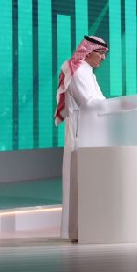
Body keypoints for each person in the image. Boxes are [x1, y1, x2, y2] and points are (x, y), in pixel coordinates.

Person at [54, 35, 108, 241]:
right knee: (78, 179)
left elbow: (99, 100)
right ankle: (77, 230)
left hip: (91, 130)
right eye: (101, 53)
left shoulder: (88, 72)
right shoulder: (76, 70)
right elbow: (89, 102)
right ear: (88, 51)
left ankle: (89, 228)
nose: (103, 58)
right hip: (80, 132)